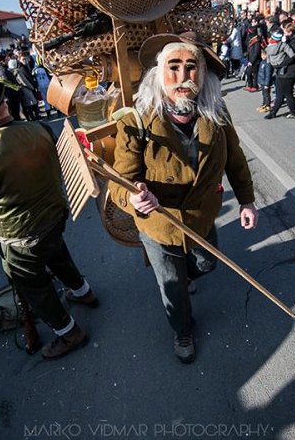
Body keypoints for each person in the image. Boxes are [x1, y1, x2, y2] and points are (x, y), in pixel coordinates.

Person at [111, 33, 258, 364]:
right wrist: (133, 199)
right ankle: (182, 329)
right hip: (159, 221)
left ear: (203, 75)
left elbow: (234, 158)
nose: (182, 78)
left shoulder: (216, 114)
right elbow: (119, 181)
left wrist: (247, 201)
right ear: (159, 74)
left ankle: (189, 273)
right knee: (172, 284)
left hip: (201, 213)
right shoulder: (137, 120)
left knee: (205, 264)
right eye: (173, 67)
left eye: (191, 68)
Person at [0, 78, 97, 360]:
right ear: (3, 102)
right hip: (54, 217)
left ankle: (68, 332)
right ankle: (84, 292)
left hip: (21, 235)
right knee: (56, 253)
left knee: (35, 287)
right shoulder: (38, 127)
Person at [265, 22, 295, 119]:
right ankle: (274, 112)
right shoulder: (290, 40)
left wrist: (280, 64)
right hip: (283, 71)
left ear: (290, 32)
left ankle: (293, 112)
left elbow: (292, 57)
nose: (284, 34)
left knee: (287, 94)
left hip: (288, 72)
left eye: (285, 32)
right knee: (280, 93)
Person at [256, 48, 273, 113]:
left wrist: (267, 84)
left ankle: (268, 105)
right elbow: (259, 73)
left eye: (264, 55)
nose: (263, 56)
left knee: (267, 94)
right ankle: (264, 104)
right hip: (262, 81)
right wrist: (259, 82)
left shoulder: (268, 64)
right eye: (262, 54)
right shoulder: (262, 62)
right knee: (263, 94)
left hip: (266, 83)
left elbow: (268, 75)